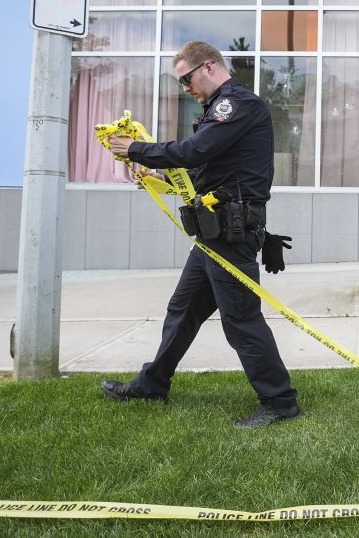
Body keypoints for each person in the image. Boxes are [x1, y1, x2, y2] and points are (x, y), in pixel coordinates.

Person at [101, 40, 300, 429]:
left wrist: (136, 150)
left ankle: (280, 402)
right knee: (183, 310)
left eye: (186, 79)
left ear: (208, 67)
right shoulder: (218, 109)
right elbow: (207, 172)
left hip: (231, 234)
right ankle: (152, 383)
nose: (184, 89)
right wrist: (160, 177)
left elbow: (193, 151)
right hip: (214, 232)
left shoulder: (236, 104)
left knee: (240, 319)